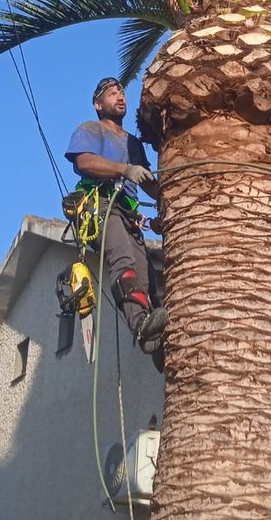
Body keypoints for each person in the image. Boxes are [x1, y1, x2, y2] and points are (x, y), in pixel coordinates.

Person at [65, 77, 167, 358]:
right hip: (101, 205)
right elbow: (84, 162)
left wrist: (168, 204)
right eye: (112, 94)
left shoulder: (133, 143)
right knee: (122, 257)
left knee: (146, 275)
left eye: (121, 92)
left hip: (127, 211)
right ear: (98, 104)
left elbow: (145, 181)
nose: (120, 97)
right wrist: (124, 169)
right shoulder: (91, 129)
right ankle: (140, 324)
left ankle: (159, 345)